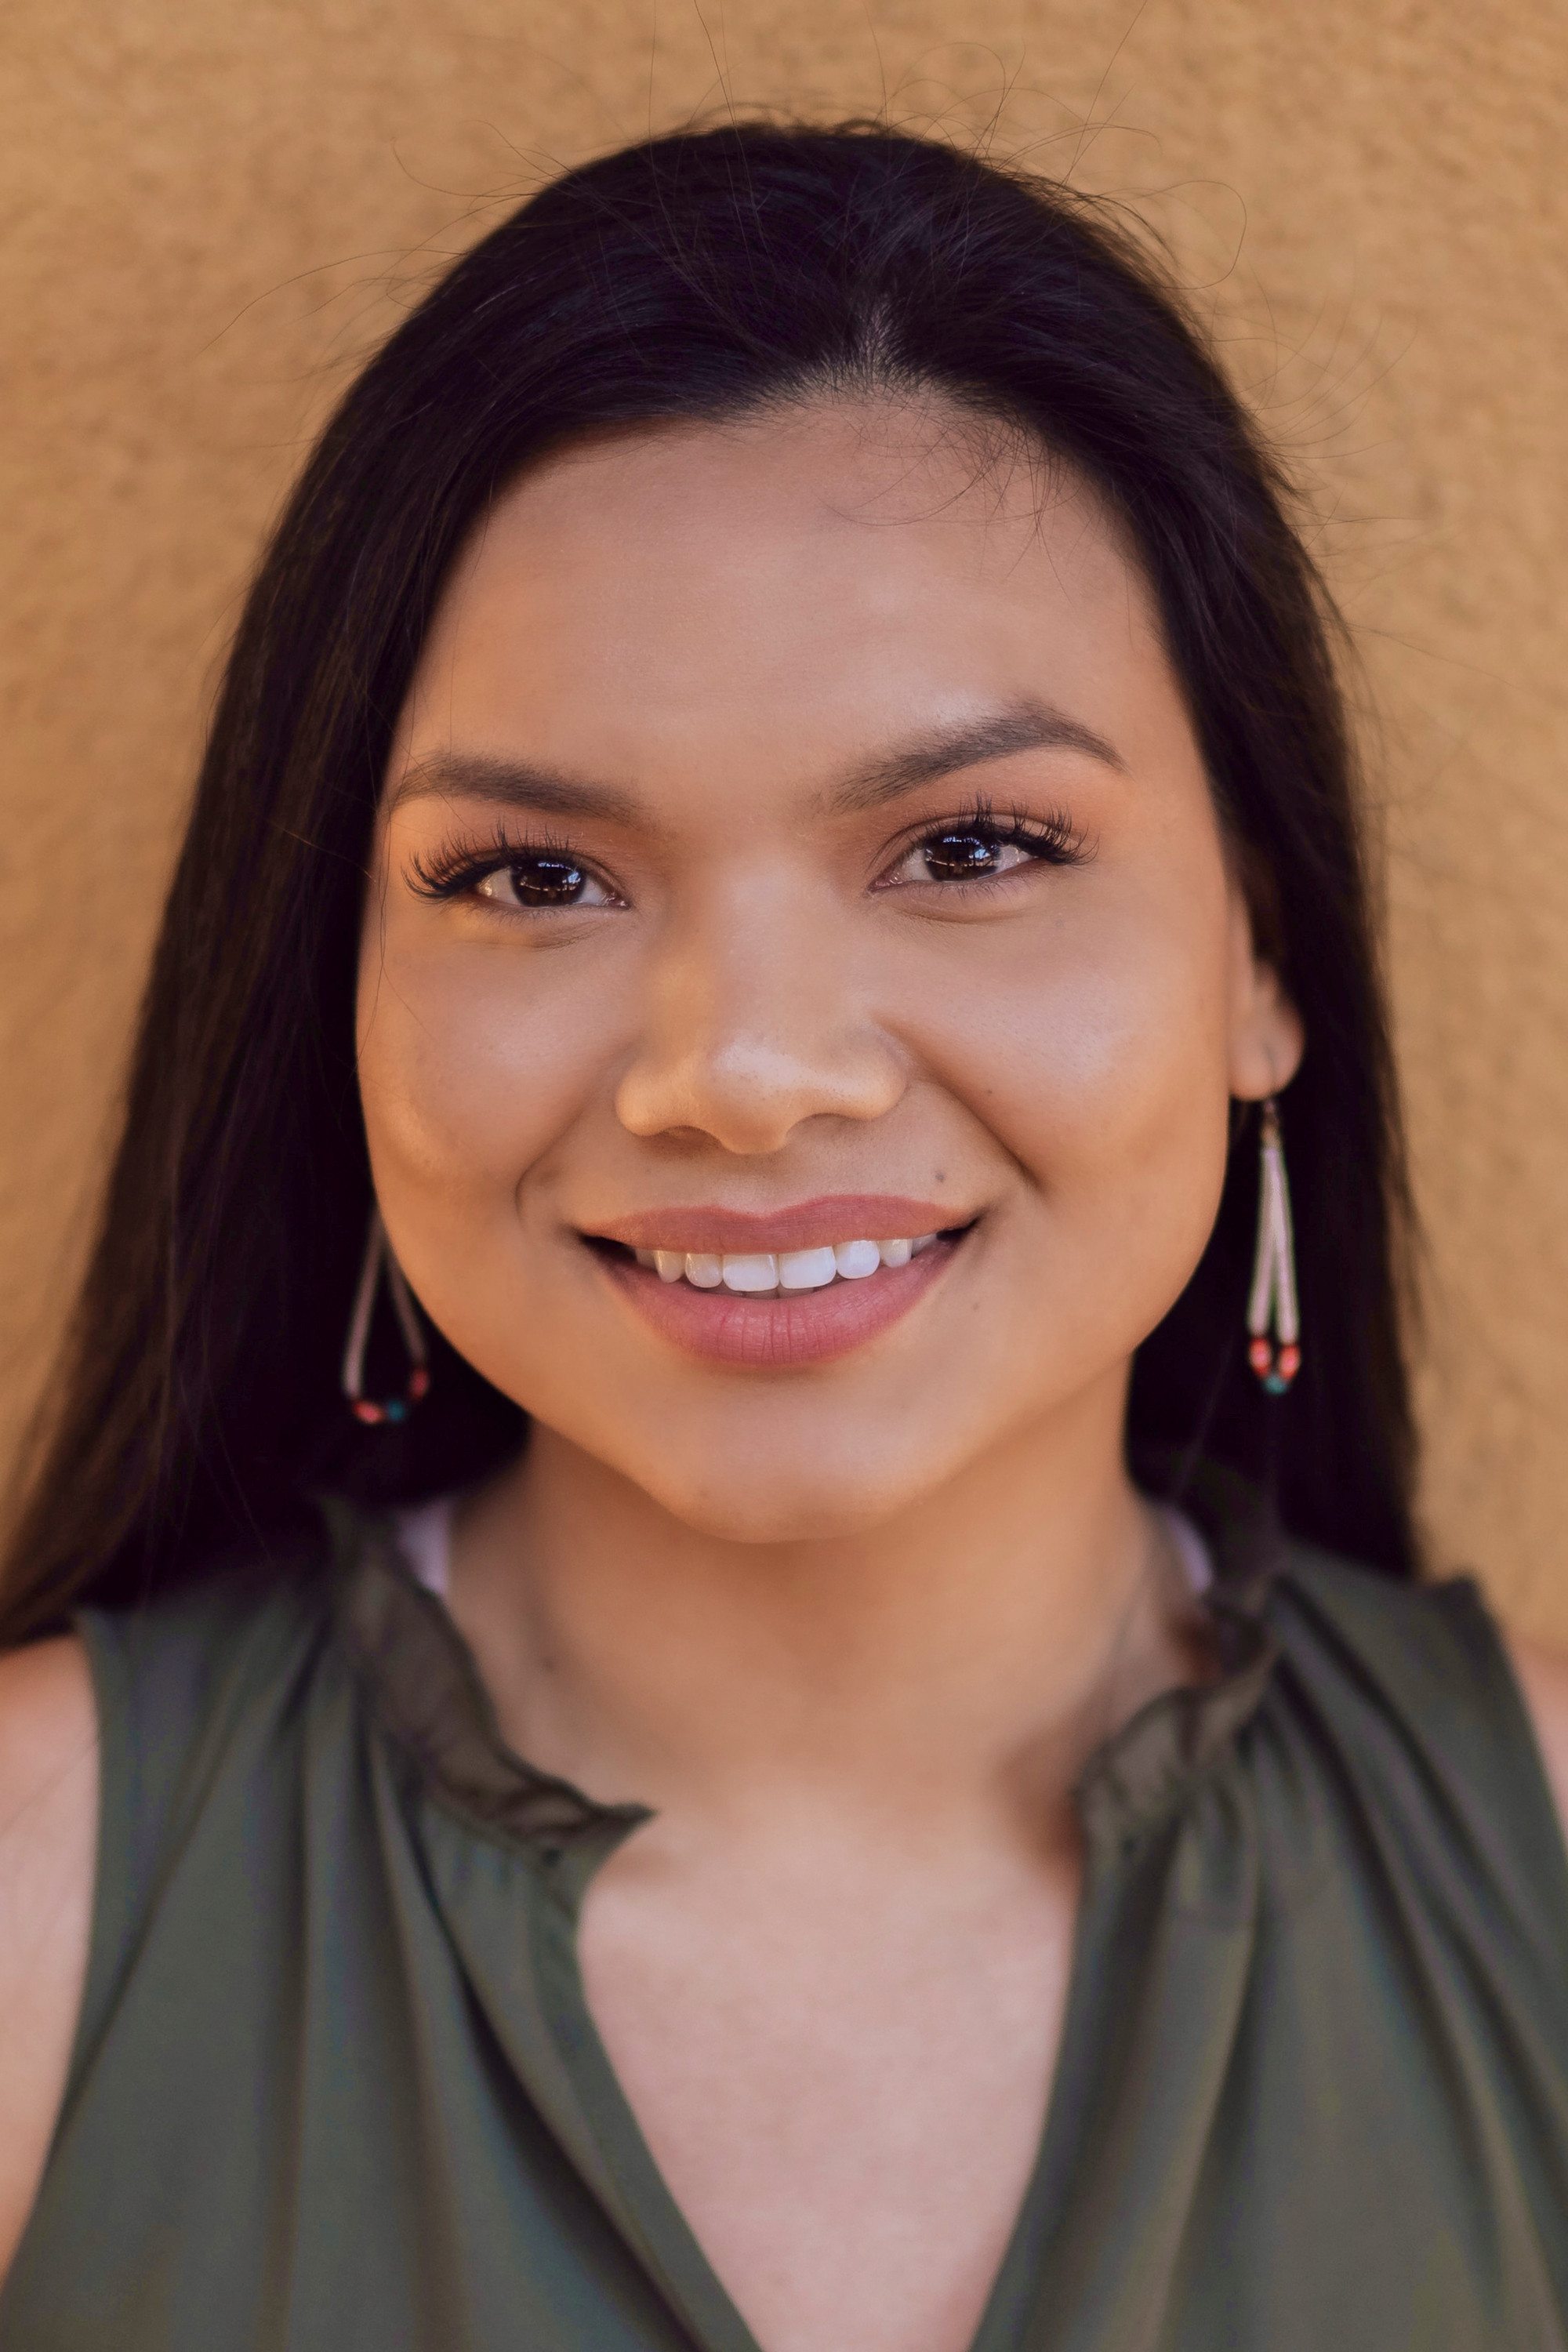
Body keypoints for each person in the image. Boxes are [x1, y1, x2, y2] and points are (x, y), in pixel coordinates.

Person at [2, 119, 1566, 2352]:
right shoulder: (36, 1913)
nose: (742, 1070)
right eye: (531, 878)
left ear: (1261, 952)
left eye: (976, 843)